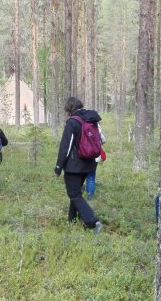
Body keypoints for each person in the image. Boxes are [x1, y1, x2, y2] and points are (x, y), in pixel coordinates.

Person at [54, 97, 103, 234]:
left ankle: (93, 222)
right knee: (75, 192)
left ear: (69, 108)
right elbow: (101, 140)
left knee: (74, 194)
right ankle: (72, 220)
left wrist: (58, 167)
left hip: (74, 166)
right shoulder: (91, 119)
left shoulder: (73, 122)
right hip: (90, 163)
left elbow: (66, 147)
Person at [85, 125, 107, 200]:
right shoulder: (97, 126)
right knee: (91, 176)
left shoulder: (81, 124)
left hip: (83, 154)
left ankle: (80, 192)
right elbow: (103, 140)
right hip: (95, 155)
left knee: (80, 174)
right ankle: (90, 196)